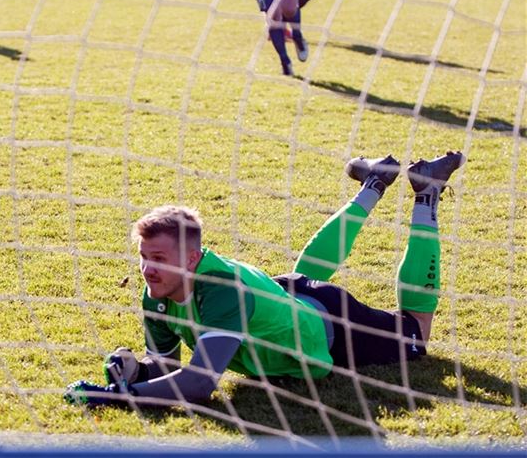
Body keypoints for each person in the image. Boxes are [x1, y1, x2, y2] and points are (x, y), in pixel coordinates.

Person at [64, 151, 466, 408]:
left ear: (191, 259)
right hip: (286, 295)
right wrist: (136, 371)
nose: (148, 269)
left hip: (331, 328)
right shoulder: (157, 292)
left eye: (159, 259)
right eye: (144, 257)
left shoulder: (220, 291)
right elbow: (168, 366)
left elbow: (199, 385)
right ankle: (375, 182)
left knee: (417, 329)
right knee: (302, 280)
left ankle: (426, 193)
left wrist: (118, 396)